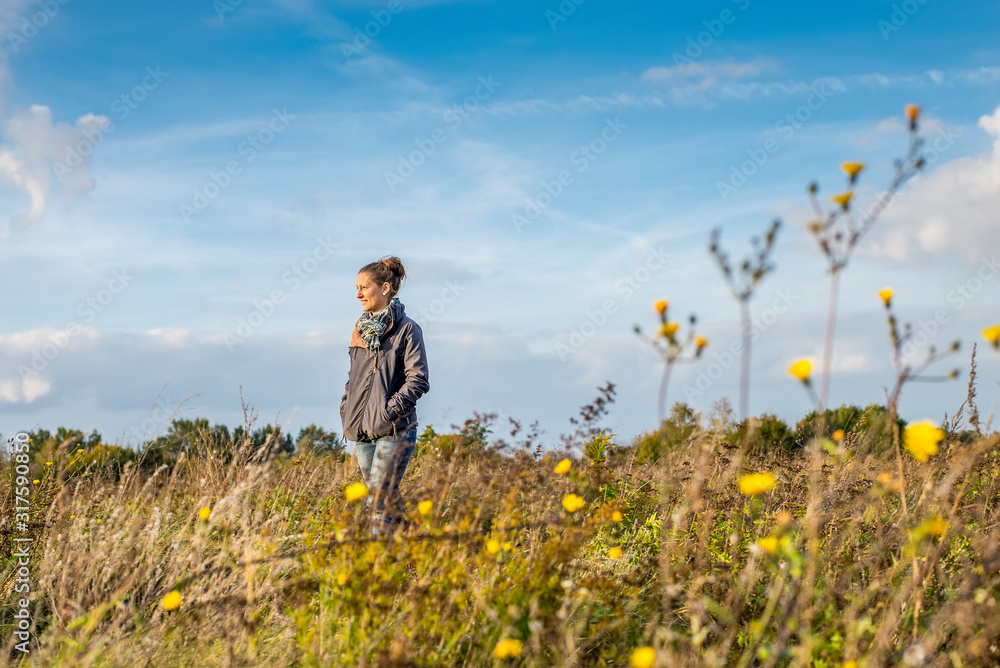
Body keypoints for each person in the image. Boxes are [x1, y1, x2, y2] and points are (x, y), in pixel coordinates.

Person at [339, 256, 430, 535]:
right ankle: (416, 544)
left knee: (377, 503)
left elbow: (418, 379)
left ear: (386, 288)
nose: (358, 294)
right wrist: (347, 408)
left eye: (364, 287)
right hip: (362, 431)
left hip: (394, 429)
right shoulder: (360, 330)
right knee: (385, 499)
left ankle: (378, 568)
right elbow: (353, 378)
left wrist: (387, 411)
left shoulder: (407, 329)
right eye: (357, 287)